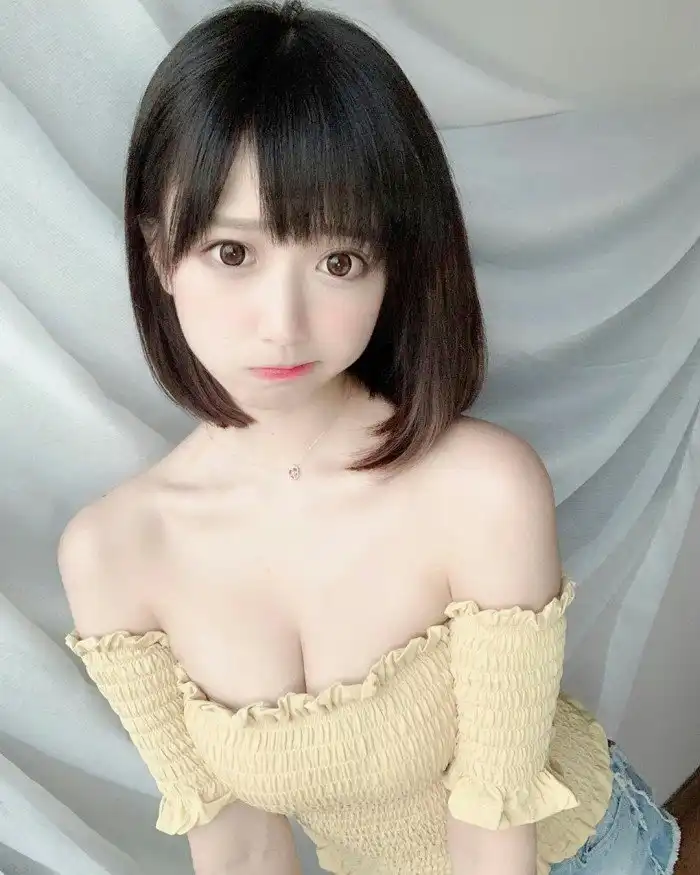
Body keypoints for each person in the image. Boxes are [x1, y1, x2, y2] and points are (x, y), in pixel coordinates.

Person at [57, 2, 681, 874]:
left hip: (576, 851)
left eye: (338, 261)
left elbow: (495, 829)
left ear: (393, 266)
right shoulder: (110, 554)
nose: (283, 323)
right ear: (162, 253)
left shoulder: (483, 488)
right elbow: (238, 847)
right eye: (233, 253)